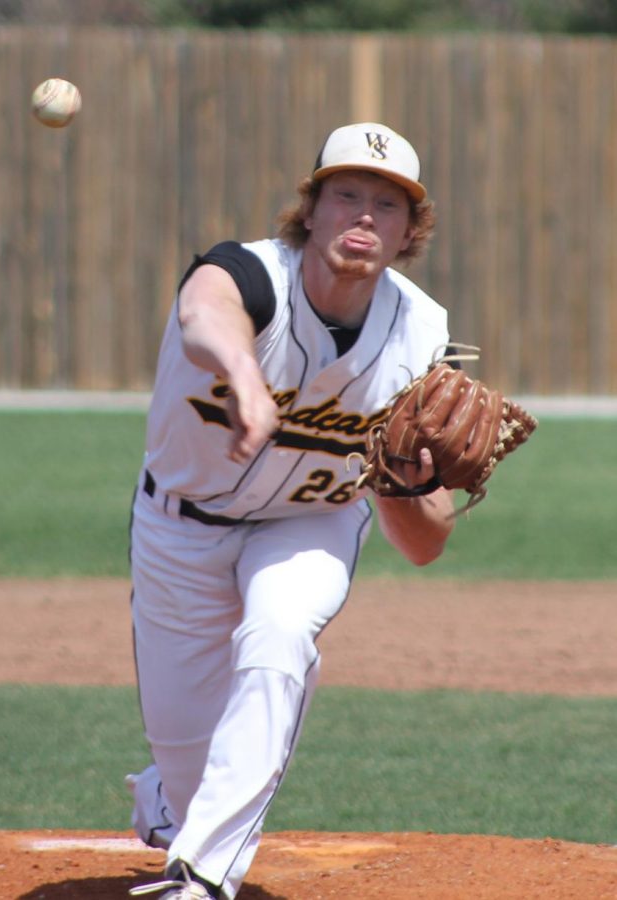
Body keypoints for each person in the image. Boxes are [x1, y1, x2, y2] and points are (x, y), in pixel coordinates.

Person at [126, 122, 456, 900]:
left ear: (411, 231)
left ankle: (203, 878)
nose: (364, 216)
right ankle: (171, 800)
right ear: (311, 209)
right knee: (185, 753)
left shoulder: (421, 335)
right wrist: (244, 372)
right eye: (346, 195)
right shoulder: (248, 274)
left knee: (279, 638)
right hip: (181, 524)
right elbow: (204, 312)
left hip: (312, 521)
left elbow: (425, 543)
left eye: (388, 203)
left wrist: (403, 482)